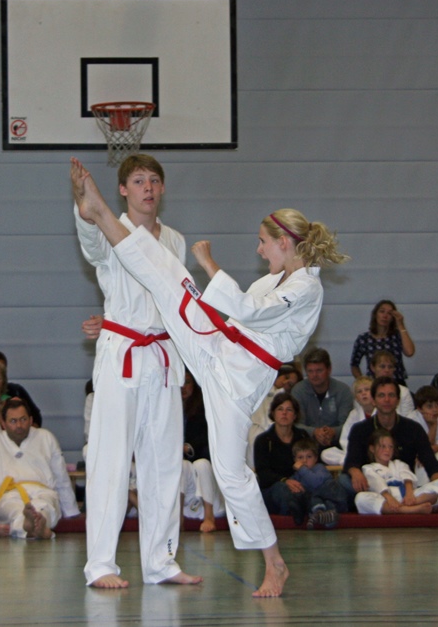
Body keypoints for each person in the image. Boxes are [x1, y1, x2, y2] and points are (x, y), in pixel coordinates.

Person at [72, 157, 349, 597]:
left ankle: (260, 561)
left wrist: (208, 263)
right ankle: (99, 210)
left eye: (263, 243)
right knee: (168, 279)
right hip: (214, 348)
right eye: (139, 181)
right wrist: (115, 321)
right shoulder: (279, 278)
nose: (259, 251)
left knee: (227, 472)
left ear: (284, 242)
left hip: (237, 374)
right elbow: (226, 307)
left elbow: (245, 309)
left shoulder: (304, 287)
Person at [74, 153, 192, 589]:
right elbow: (92, 245)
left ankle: (161, 563)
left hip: (162, 354)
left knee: (164, 462)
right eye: (139, 180)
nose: (148, 188)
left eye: (154, 180)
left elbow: (175, 302)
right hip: (122, 351)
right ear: (123, 190)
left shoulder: (175, 240)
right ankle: (101, 564)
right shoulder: (111, 229)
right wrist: (86, 208)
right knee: (110, 458)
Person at [0, 400, 79, 540]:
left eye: (23, 420)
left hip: (43, 491)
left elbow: (61, 477)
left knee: (45, 507)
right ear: (3, 424)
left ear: (31, 420)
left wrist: (71, 511)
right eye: (13, 421)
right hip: (9, 494)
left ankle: (35, 524)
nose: (19, 425)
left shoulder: (45, 437)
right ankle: (37, 528)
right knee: (14, 510)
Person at [344, 377, 438, 510]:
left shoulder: (413, 428)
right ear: (373, 400)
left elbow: (431, 464)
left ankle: (408, 505)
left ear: (398, 400)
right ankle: (409, 510)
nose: (387, 400)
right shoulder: (360, 429)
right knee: (357, 494)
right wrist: (356, 473)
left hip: (408, 492)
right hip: (375, 491)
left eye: (391, 395)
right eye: (381, 395)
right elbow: (351, 462)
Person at [254, 395, 345, 529]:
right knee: (282, 490)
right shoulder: (263, 440)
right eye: (280, 409)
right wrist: (285, 481)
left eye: (289, 410)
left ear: (295, 415)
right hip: (275, 487)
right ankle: (299, 511)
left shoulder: (302, 435)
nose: (284, 413)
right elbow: (263, 474)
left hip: (303, 483)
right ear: (273, 413)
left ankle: (320, 510)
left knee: (326, 485)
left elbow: (313, 462)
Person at [354, 429, 438, 515]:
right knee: (360, 498)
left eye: (390, 447)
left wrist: (409, 495)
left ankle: (413, 504)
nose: (387, 450)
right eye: (383, 446)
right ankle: (409, 510)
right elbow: (377, 483)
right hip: (385, 499)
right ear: (372, 449)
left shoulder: (398, 463)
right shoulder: (368, 468)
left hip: (408, 497)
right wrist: (389, 498)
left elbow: (407, 477)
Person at [290, 348, 353, 450]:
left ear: (329, 370)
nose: (314, 375)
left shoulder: (343, 391)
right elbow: (295, 424)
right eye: (310, 371)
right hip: (305, 446)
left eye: (319, 370)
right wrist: (314, 432)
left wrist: (333, 432)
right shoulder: (298, 391)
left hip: (337, 445)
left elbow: (348, 425)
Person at [349, 299, 416, 385]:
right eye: (382, 311)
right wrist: (363, 382)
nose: (385, 316)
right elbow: (354, 365)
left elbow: (410, 352)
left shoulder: (397, 336)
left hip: (397, 383)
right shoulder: (364, 339)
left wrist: (400, 325)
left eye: (389, 313)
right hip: (374, 384)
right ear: (375, 314)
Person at [320, 376, 375, 466]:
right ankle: (352, 461)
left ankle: (353, 463)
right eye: (359, 391)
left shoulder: (381, 412)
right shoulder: (353, 414)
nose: (363, 393)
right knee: (325, 454)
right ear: (356, 398)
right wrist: (353, 453)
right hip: (356, 453)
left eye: (367, 390)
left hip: (376, 452)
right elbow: (345, 438)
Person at [180, 457, 224, 533]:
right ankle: (178, 518)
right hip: (188, 509)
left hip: (214, 508)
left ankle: (209, 517)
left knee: (202, 464)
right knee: (183, 465)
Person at [182, 370, 209, 462]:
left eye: (187, 382)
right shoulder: (170, 407)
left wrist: (188, 447)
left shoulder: (202, 408)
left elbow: (204, 436)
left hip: (196, 454)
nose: (183, 387)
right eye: (181, 382)